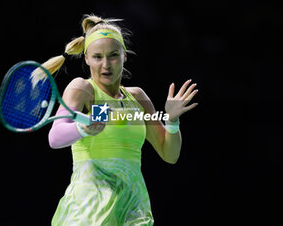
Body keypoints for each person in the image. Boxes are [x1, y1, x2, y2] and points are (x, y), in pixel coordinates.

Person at [37, 14, 198, 226]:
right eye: (97, 57)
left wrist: (172, 121)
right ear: (86, 58)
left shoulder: (137, 97)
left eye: (113, 55)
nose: (106, 65)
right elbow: (55, 137)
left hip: (132, 208)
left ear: (124, 56)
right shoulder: (83, 89)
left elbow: (169, 154)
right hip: (90, 210)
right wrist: (84, 129)